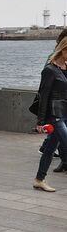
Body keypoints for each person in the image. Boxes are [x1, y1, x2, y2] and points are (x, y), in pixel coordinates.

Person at [32, 37, 67, 192]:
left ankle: (39, 179)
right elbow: (43, 96)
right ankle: (39, 179)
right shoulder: (49, 69)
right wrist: (40, 121)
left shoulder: (64, 68)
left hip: (64, 112)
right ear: (63, 50)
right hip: (54, 114)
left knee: (50, 148)